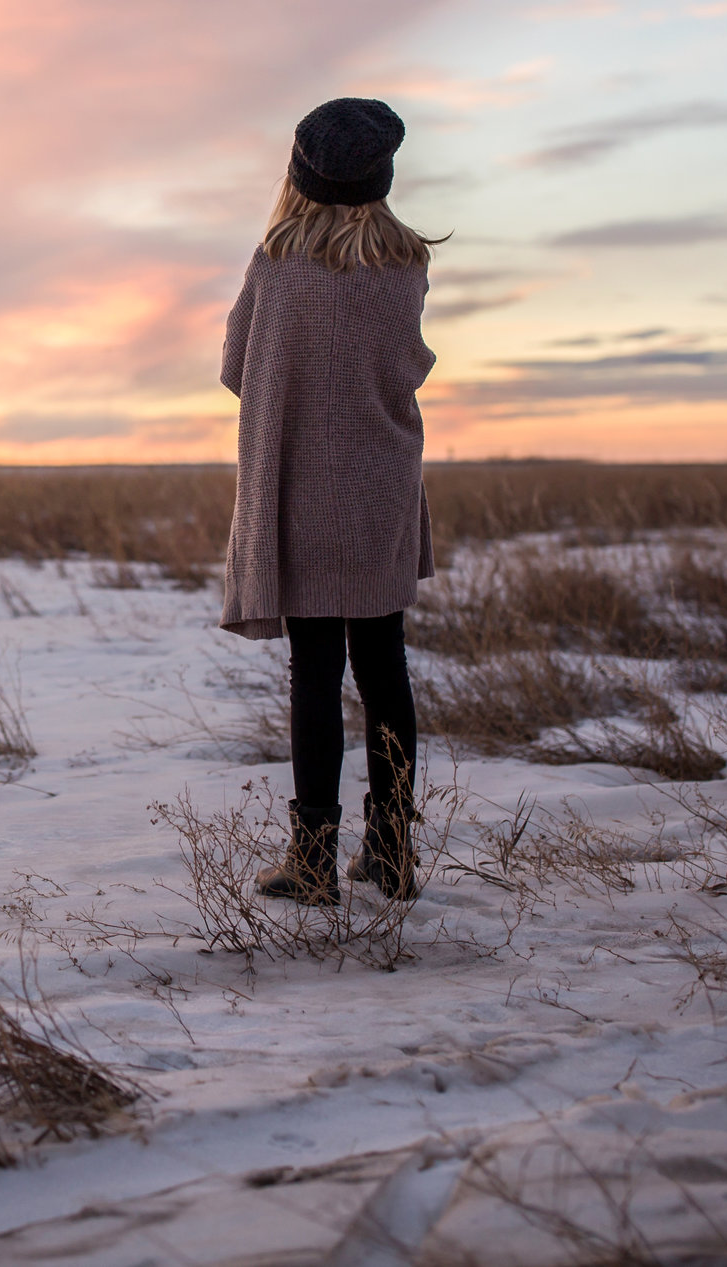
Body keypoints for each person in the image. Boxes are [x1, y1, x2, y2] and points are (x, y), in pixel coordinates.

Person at [219, 97, 440, 907]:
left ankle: (313, 858)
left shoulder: (275, 262)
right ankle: (391, 852)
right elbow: (408, 366)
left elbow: (238, 366)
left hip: (304, 493)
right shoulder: (406, 262)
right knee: (386, 667)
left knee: (314, 670)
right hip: (381, 492)